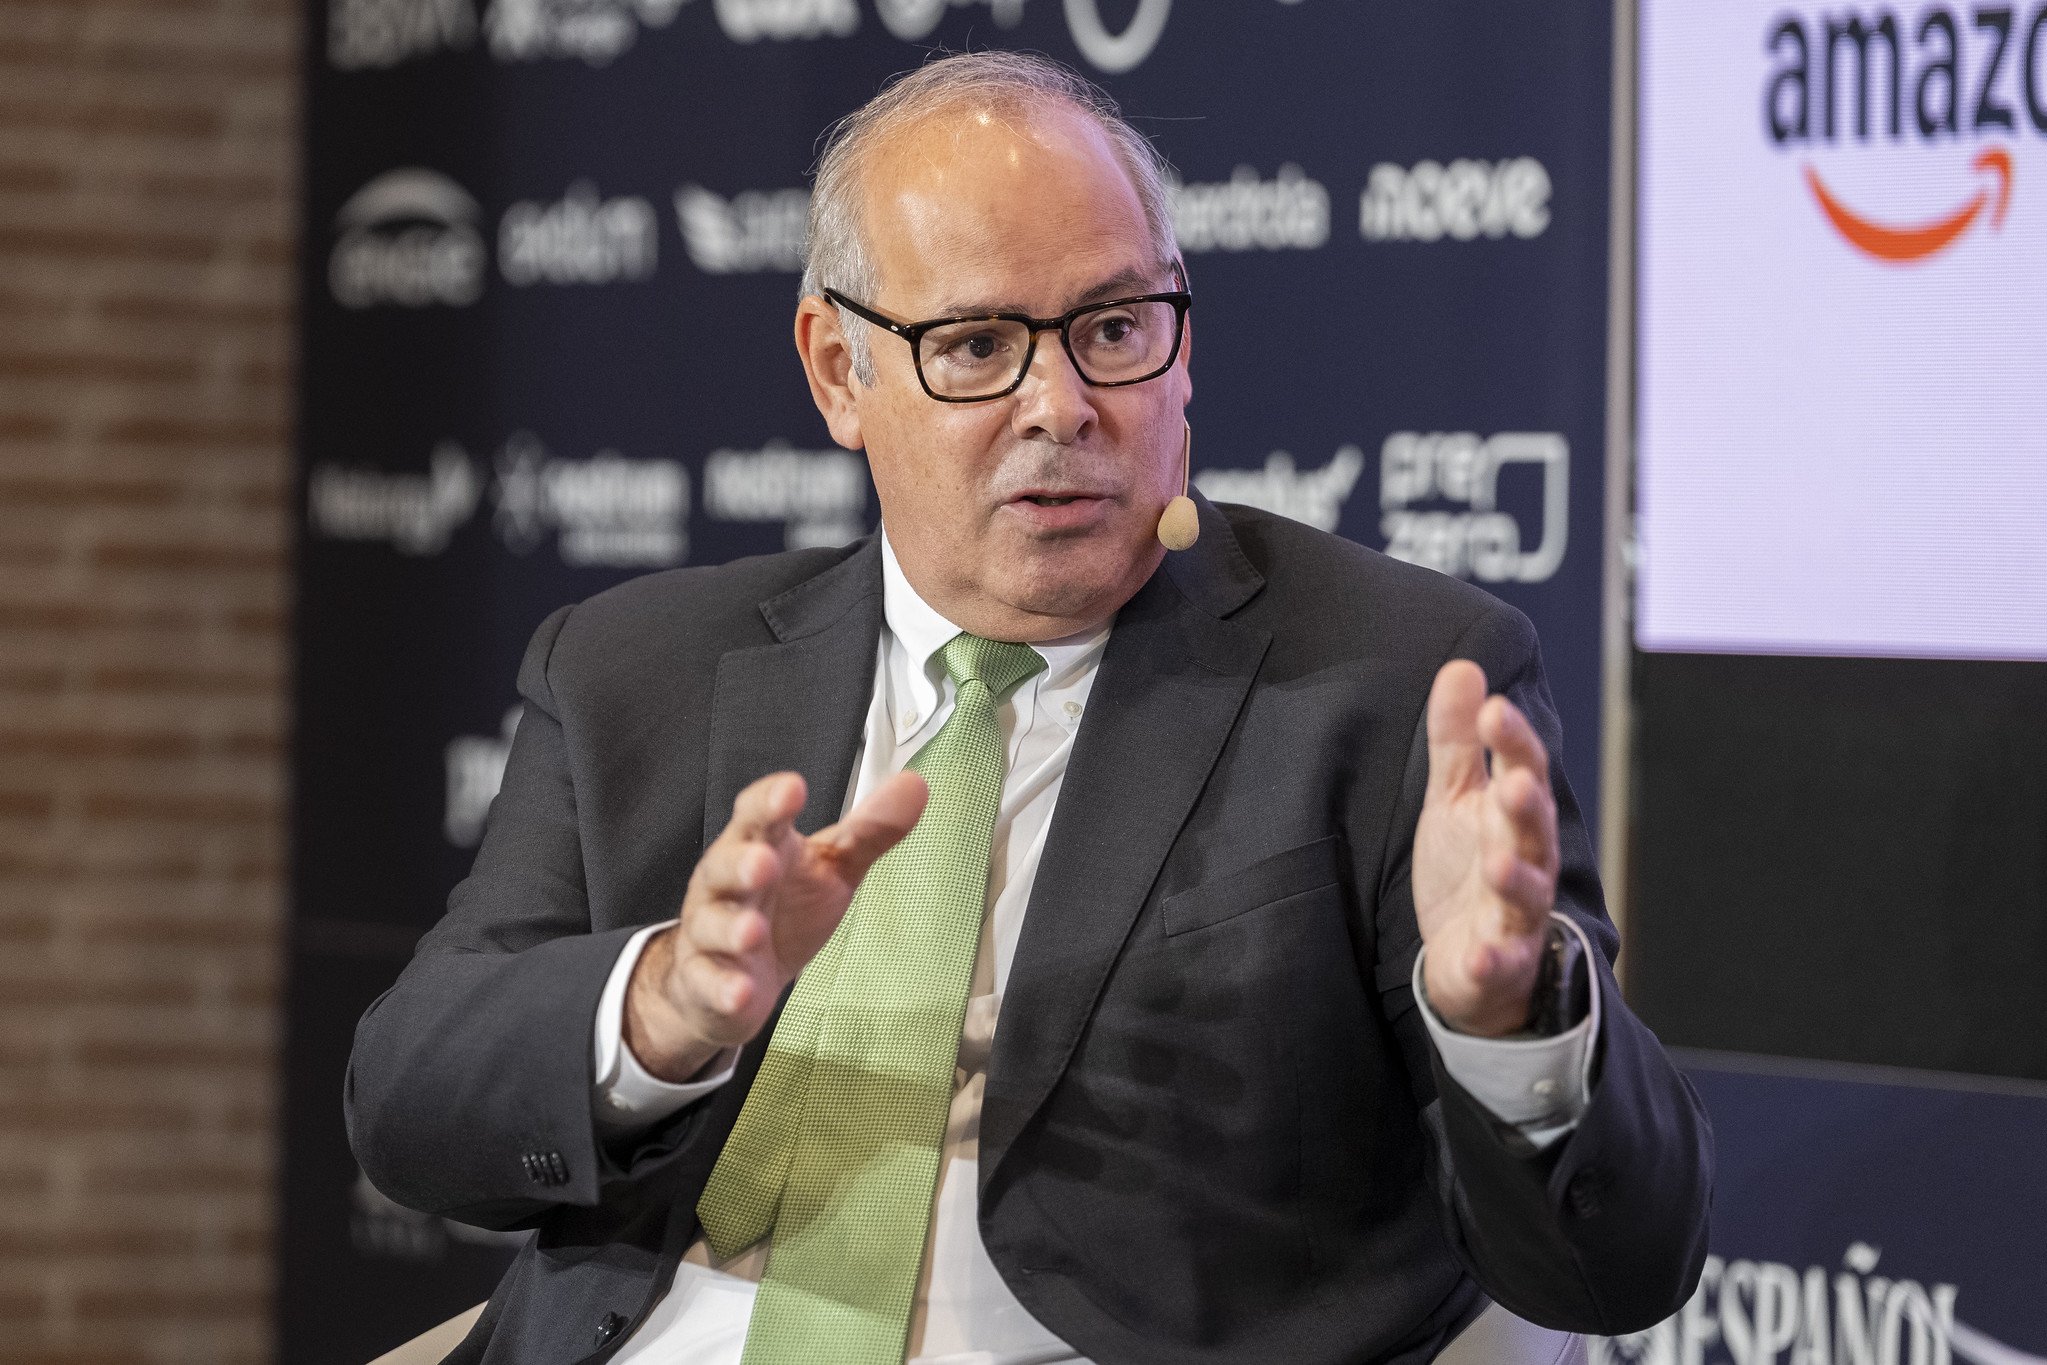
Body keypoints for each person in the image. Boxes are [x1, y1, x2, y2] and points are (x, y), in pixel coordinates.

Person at [346, 51, 1712, 1365]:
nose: (1061, 406)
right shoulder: (633, 670)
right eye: (979, 345)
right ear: (839, 372)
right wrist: (661, 1009)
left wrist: (1507, 1021)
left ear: (1181, 347)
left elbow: (1618, 1261)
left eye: (1114, 329)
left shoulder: (1390, 681)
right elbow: (408, 1105)